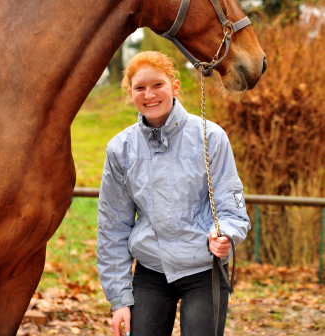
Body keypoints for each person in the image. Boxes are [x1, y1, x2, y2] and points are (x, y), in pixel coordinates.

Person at [97, 51, 250, 336]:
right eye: (140, 88)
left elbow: (232, 210)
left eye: (158, 85)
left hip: (205, 270)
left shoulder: (210, 137)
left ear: (175, 87)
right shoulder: (120, 149)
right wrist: (119, 299)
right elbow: (112, 228)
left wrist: (225, 234)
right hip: (151, 272)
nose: (149, 94)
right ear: (130, 94)